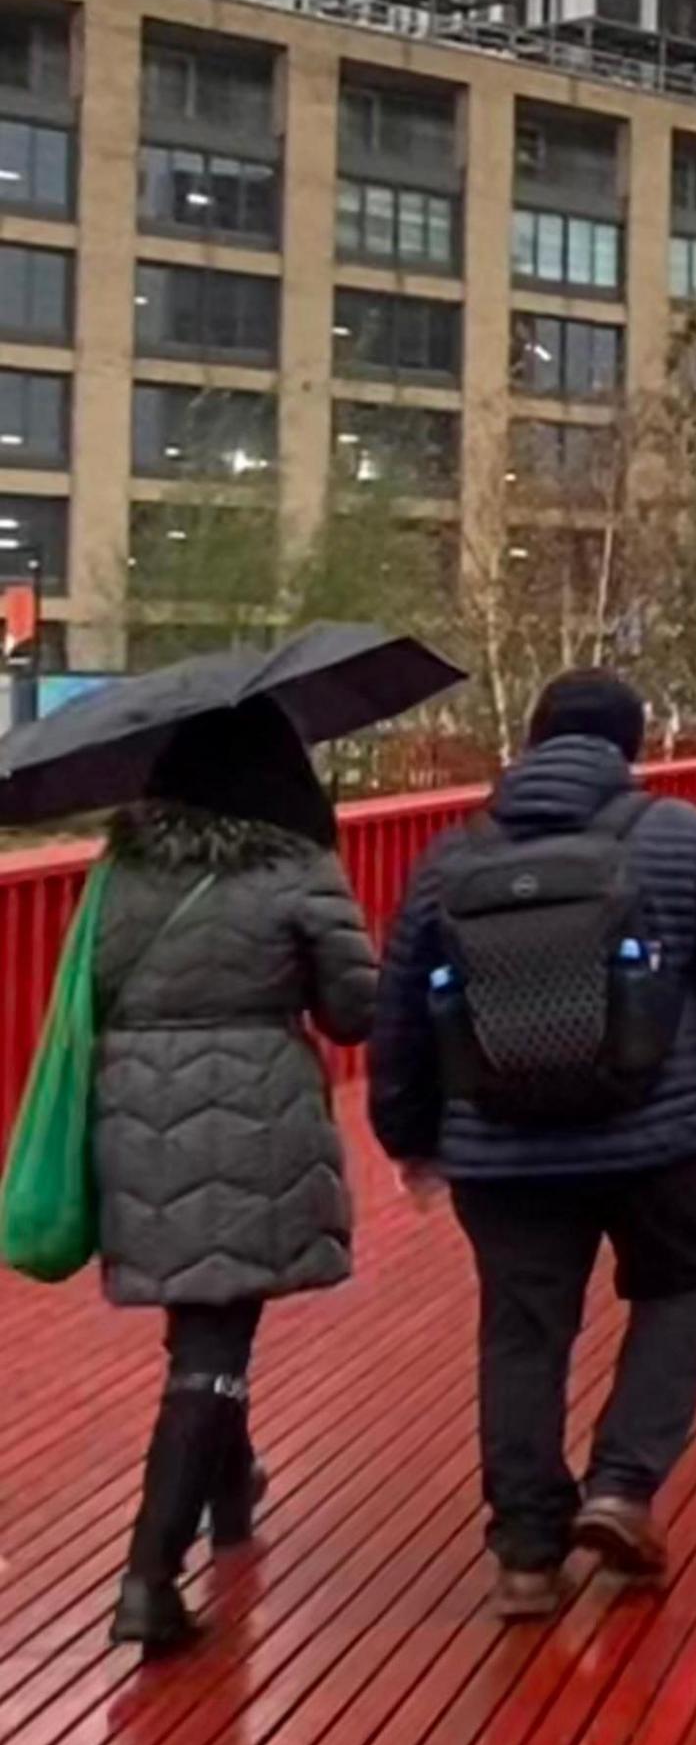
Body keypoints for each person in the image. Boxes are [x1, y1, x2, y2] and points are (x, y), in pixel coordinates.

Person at [369, 671, 696, 1621]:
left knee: (523, 1333)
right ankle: (621, 1485)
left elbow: (400, 1014)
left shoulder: (451, 859)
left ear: (530, 741)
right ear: (631, 747)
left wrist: (410, 1139)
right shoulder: (686, 839)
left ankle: (526, 1553)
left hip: (501, 1146)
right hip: (664, 1135)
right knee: (680, 1287)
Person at [80, 701, 379, 1654]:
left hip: (133, 1115)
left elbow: (88, 987)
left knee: (200, 1320)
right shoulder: (297, 868)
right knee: (213, 1347)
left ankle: (233, 1489)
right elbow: (353, 1012)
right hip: (251, 1112)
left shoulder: (116, 875)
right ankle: (148, 1578)